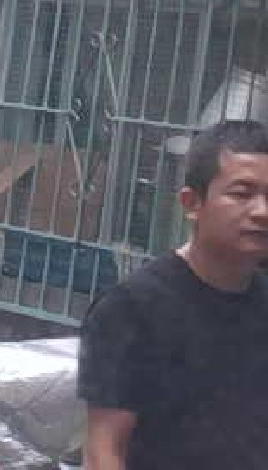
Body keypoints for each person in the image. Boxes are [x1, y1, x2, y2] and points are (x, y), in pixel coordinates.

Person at [78, 119, 268, 469]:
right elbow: (104, 451)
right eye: (242, 194)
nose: (262, 212)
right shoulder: (131, 309)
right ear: (192, 203)